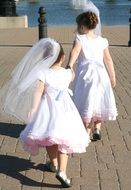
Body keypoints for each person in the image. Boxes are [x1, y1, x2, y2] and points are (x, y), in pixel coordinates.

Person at [1, 38, 90, 188]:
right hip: (66, 112)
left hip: (47, 112)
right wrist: (70, 66)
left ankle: (53, 164)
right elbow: (72, 75)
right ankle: (62, 171)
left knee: (50, 138)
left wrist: (33, 109)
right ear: (62, 58)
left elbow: (38, 92)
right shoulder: (67, 73)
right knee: (64, 142)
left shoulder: (43, 73)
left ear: (45, 59)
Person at [67, 11, 118, 141]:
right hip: (101, 75)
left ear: (83, 27)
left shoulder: (80, 38)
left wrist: (70, 65)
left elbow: (75, 52)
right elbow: (108, 59)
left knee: (85, 100)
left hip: (86, 75)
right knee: (98, 100)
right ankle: (97, 128)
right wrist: (112, 76)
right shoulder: (102, 41)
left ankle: (86, 131)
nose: (77, 29)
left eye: (78, 26)